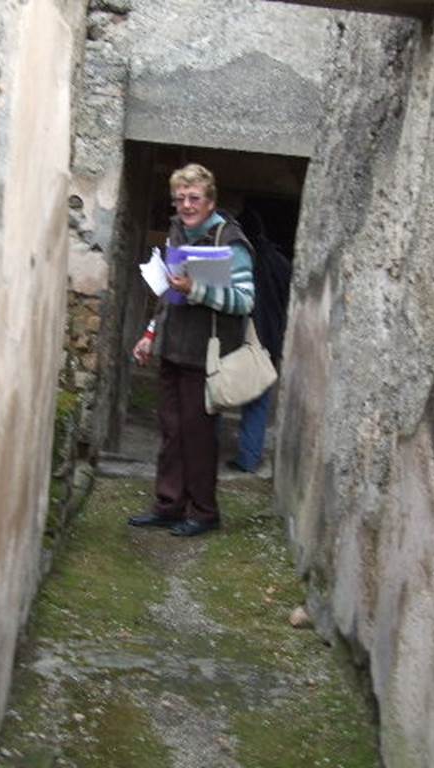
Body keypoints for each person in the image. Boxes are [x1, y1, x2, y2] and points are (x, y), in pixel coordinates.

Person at [128, 163, 255, 537]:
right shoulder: (178, 232)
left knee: (198, 437)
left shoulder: (230, 241)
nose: (186, 204)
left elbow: (246, 300)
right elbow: (169, 292)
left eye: (193, 197)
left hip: (206, 355)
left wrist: (196, 290)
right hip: (173, 347)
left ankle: (203, 512)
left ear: (210, 200)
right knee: (170, 432)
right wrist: (150, 333)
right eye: (180, 198)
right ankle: (169, 505)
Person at [227, 208, 292, 473]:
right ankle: (249, 457)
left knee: (220, 391)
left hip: (238, 337)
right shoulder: (281, 263)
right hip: (270, 341)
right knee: (259, 401)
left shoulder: (238, 259)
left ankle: (208, 448)